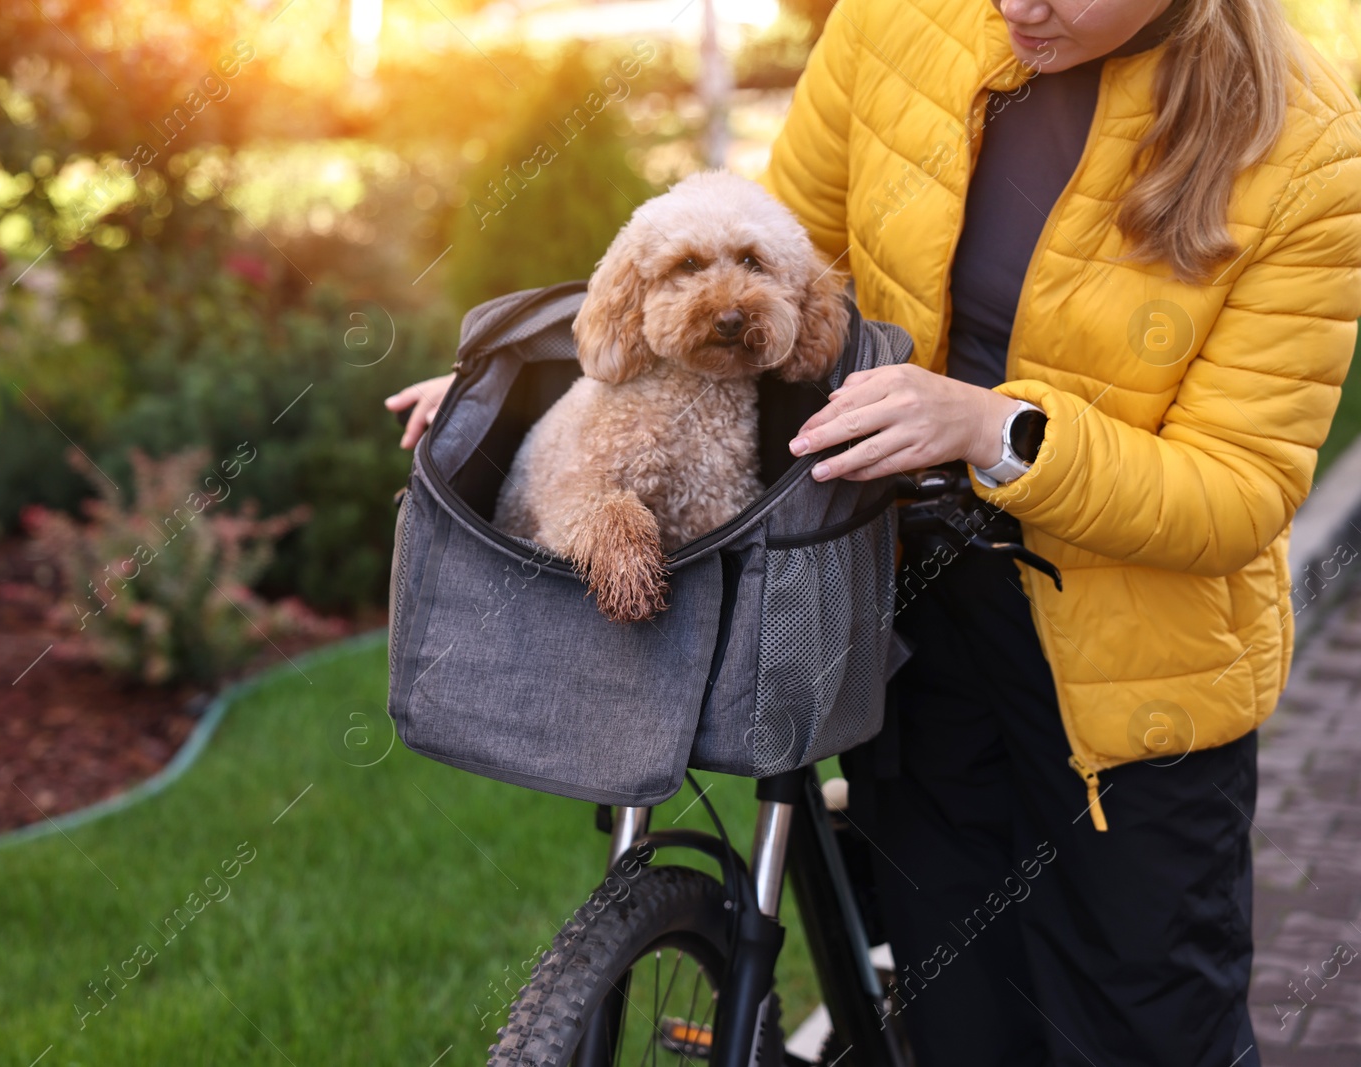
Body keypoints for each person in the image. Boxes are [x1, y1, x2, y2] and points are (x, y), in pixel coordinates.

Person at [387, 0, 1361, 1060]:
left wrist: (994, 428)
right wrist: (530, 385)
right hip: (903, 625)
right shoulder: (900, 16)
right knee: (961, 1022)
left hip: (1129, 693)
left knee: (1140, 1029)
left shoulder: (1307, 153)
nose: (1018, 6)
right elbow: (775, 267)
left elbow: (1238, 489)